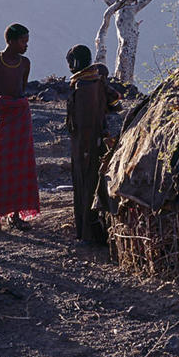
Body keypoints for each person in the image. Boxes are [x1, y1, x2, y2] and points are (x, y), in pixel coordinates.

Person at [0, 23, 40, 235]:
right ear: (12, 41)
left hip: (20, 120)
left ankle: (15, 215)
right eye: (23, 41)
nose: (26, 45)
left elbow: (20, 92)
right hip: (1, 120)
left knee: (20, 166)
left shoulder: (25, 63)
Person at [65, 45, 121, 244]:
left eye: (71, 62)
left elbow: (86, 122)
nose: (70, 67)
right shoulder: (95, 80)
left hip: (85, 145)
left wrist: (87, 149)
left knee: (86, 185)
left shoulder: (84, 87)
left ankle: (88, 232)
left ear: (76, 63)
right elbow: (115, 101)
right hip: (94, 140)